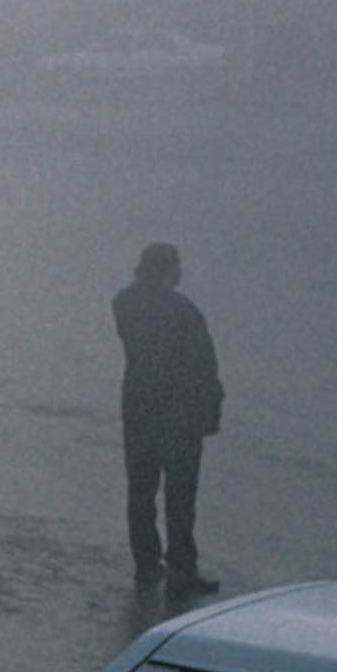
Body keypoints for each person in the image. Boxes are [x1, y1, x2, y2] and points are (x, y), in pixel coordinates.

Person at [114, 242, 225, 600]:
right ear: (167, 269)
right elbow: (204, 366)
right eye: (177, 266)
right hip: (180, 414)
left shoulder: (124, 303)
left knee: (141, 488)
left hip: (138, 407)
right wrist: (210, 412)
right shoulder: (183, 311)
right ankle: (181, 567)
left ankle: (146, 564)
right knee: (180, 493)